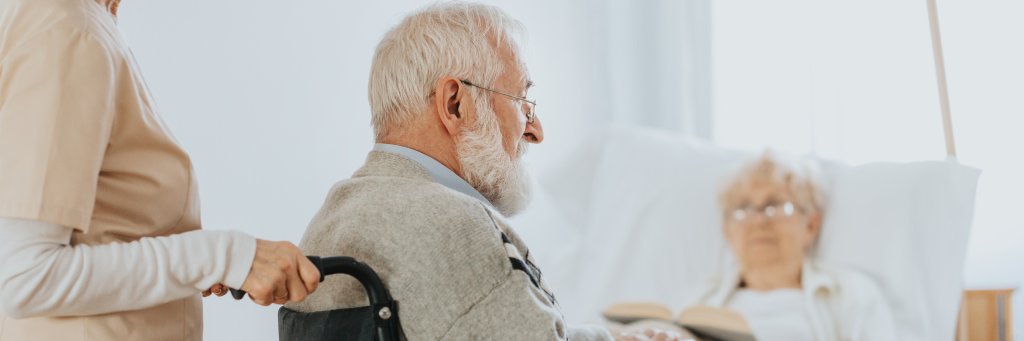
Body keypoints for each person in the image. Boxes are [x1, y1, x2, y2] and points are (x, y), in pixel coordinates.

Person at [286, 3, 681, 341]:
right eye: (522, 102)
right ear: (455, 103)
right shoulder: (451, 225)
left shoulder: (328, 222)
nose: (535, 130)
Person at [0, 0, 320, 339]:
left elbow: (103, 231)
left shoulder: (82, 24)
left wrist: (186, 266)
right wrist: (224, 257)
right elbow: (26, 276)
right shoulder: (67, 30)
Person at [690, 153, 896, 340]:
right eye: (744, 208)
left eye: (775, 205)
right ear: (727, 230)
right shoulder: (697, 300)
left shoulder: (852, 295)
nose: (759, 221)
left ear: (810, 225)